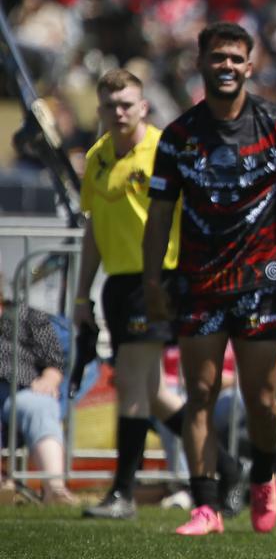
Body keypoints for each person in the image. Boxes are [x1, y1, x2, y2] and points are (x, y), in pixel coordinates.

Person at [143, 21, 276, 536]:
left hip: (260, 281)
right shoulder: (179, 136)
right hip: (198, 283)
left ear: (250, 65)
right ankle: (207, 507)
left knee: (261, 399)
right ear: (200, 63)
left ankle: (264, 475)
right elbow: (159, 213)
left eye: (234, 58)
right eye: (216, 57)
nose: (225, 66)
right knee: (198, 394)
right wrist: (154, 281)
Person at [73, 68, 243, 520]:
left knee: (130, 381)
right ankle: (227, 467)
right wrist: (81, 295)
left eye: (127, 103)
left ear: (144, 106)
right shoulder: (97, 157)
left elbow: (193, 217)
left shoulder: (165, 151)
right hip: (118, 283)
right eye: (110, 105)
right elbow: (92, 230)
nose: (119, 112)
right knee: (153, 392)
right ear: (100, 109)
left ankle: (122, 494)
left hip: (158, 279)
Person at [0, 298, 77, 505]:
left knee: (42, 407)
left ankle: (55, 489)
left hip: (22, 388)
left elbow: (54, 362)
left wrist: (49, 379)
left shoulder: (27, 316)